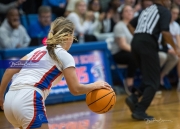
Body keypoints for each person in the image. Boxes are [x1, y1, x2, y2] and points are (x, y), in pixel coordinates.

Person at [0, 17, 110, 129]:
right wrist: (95, 85)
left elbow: (9, 70)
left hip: (10, 100)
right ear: (68, 36)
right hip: (28, 98)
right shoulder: (65, 56)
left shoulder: (37, 51)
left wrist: (0, 96)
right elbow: (75, 89)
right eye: (73, 35)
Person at [126, 0, 180, 120]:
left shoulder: (147, 10)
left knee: (148, 77)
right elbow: (165, 32)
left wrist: (139, 37)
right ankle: (140, 110)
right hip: (147, 45)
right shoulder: (164, 11)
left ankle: (134, 97)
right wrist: (176, 49)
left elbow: (129, 24)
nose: (170, 2)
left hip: (135, 44)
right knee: (154, 82)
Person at [111, 5, 136, 95]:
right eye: (126, 11)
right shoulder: (119, 26)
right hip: (119, 53)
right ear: (122, 14)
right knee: (134, 57)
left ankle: (148, 83)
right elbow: (123, 45)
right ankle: (129, 82)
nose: (129, 12)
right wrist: (138, 51)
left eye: (131, 11)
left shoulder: (135, 26)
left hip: (132, 51)